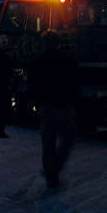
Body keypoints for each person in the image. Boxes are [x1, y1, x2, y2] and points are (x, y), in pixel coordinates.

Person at [26, 30, 80, 188]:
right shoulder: (67, 60)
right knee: (68, 138)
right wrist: (74, 102)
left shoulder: (37, 61)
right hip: (64, 107)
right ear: (58, 42)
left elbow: (31, 84)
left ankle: (51, 176)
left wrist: (36, 102)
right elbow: (76, 83)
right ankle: (55, 167)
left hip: (45, 107)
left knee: (48, 144)